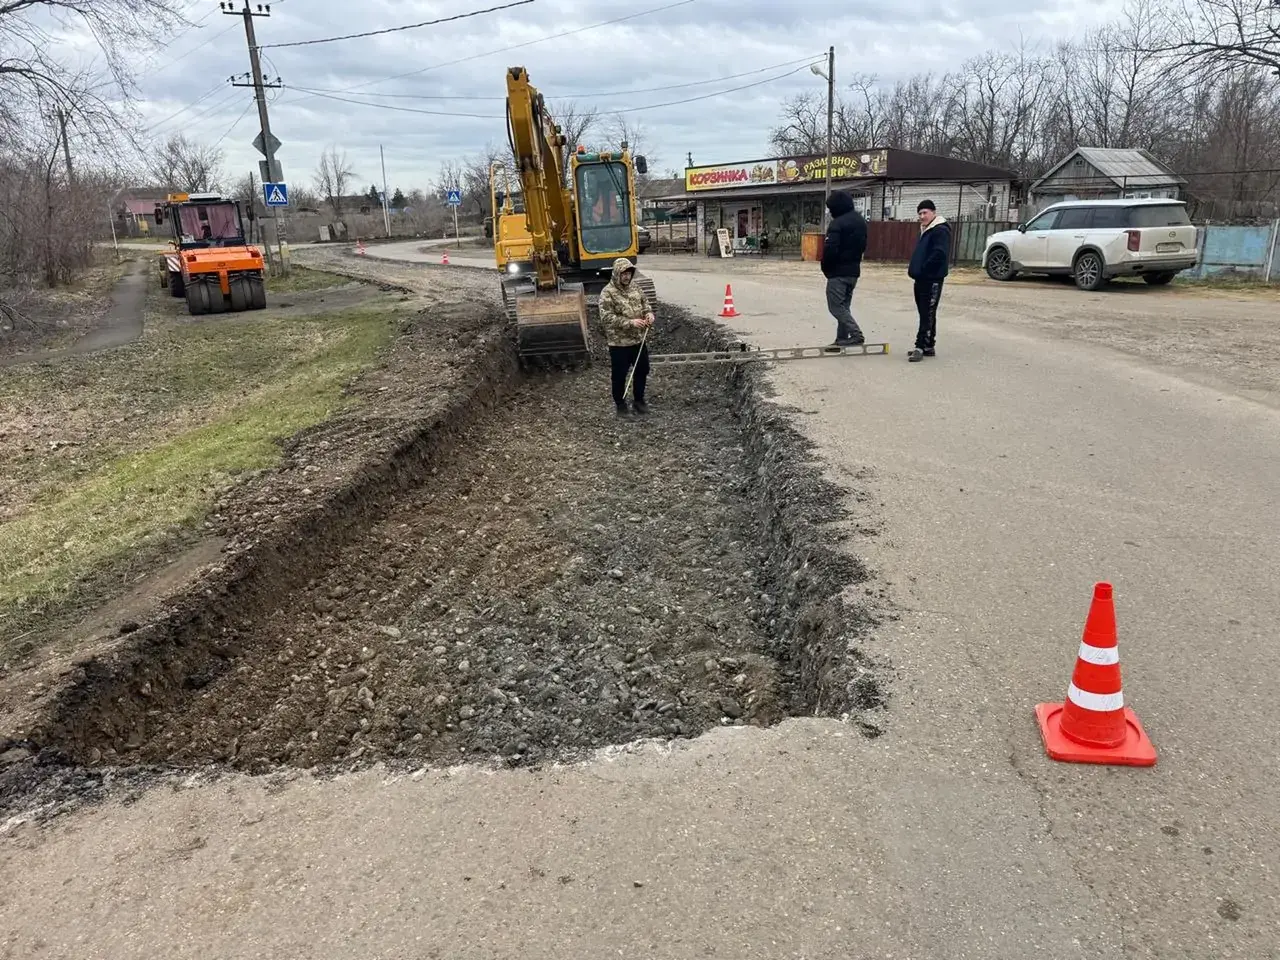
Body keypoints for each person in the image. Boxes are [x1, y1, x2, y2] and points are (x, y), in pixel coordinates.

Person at [598, 257, 655, 416]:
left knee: (642, 370)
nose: (627, 276)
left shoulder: (636, 288)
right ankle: (620, 404)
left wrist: (649, 314)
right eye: (623, 273)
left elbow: (646, 304)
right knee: (619, 375)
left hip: (638, 339)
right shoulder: (607, 293)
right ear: (617, 273)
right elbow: (606, 317)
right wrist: (630, 323)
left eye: (629, 273)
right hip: (619, 343)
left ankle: (639, 400)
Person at [820, 190, 868, 346]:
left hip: (838, 273)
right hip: (853, 272)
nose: (830, 211)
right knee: (844, 307)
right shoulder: (860, 221)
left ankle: (856, 334)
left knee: (835, 307)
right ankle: (842, 338)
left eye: (830, 208)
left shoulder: (837, 224)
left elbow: (830, 250)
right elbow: (863, 247)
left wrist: (826, 268)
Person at [907, 199, 951, 362]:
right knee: (924, 312)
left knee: (927, 313)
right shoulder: (926, 229)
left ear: (934, 212)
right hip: (921, 278)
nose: (922, 216)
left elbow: (939, 254)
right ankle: (928, 345)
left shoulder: (940, 230)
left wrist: (924, 269)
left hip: (931, 279)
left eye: (925, 212)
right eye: (919, 213)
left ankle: (920, 346)